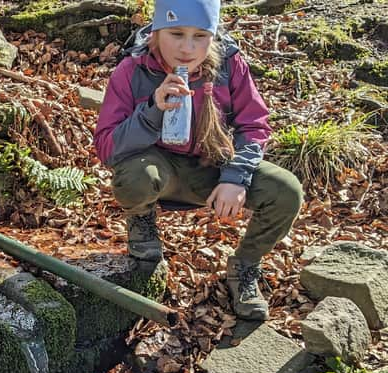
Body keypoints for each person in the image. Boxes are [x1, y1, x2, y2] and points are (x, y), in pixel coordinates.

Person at [93, 0, 304, 320]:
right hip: (160, 170)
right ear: (157, 31)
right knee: (133, 176)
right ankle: (142, 225)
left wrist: (236, 177)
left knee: (286, 191)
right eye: (176, 33)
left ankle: (245, 266)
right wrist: (152, 109)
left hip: (214, 167)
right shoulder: (133, 70)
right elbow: (108, 148)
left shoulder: (229, 66)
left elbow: (254, 125)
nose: (188, 48)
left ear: (213, 35)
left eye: (200, 36)